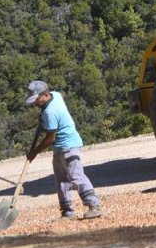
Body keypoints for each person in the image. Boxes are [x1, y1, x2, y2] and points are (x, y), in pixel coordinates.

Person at [25, 80, 102, 220]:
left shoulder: (50, 112)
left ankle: (94, 205)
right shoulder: (55, 96)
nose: (35, 103)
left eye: (36, 100)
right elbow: (61, 95)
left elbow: (50, 138)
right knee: (61, 180)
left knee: (76, 176)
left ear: (45, 95)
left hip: (69, 145)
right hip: (59, 148)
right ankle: (67, 212)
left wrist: (34, 152)